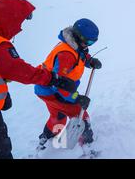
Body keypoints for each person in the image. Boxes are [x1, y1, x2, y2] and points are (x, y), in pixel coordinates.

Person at [0, 0, 76, 159]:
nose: (19, 28)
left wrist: (1, 92)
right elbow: (19, 70)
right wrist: (56, 81)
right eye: (18, 22)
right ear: (7, 18)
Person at [35, 19, 102, 150]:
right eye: (88, 42)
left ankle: (44, 140)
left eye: (93, 42)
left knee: (58, 117)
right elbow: (60, 85)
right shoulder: (65, 54)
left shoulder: (74, 45)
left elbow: (81, 56)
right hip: (52, 91)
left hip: (46, 89)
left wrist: (90, 61)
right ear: (77, 36)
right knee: (80, 116)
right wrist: (77, 98)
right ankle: (87, 148)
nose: (89, 45)